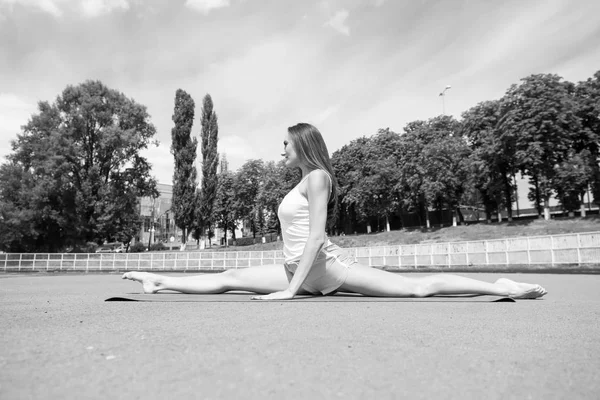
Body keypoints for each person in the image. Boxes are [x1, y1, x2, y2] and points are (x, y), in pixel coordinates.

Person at [123, 123, 547, 300]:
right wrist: (292, 282)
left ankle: (500, 286)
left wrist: (291, 292)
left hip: (325, 269)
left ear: (302, 144)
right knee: (231, 279)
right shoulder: (300, 182)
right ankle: (158, 280)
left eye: (286, 144)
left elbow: (314, 237)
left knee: (417, 290)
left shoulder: (318, 177)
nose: (282, 149)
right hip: (297, 270)